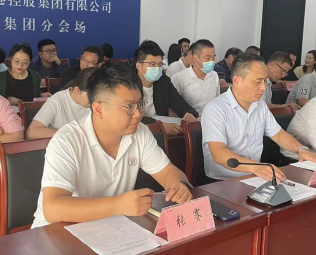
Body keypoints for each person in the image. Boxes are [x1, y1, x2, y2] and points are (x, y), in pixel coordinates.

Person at [31, 64, 193, 226]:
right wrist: (118, 205)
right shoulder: (67, 140)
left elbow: (167, 172)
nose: (138, 114)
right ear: (98, 109)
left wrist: (179, 185)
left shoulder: (140, 132)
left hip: (108, 226)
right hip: (58, 230)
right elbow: (52, 209)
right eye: (129, 106)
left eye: (139, 104)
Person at [202, 53, 316, 181]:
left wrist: (301, 150)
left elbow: (279, 135)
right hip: (222, 181)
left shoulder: (260, 105)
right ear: (237, 80)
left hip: (254, 176)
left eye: (265, 80)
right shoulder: (216, 109)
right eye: (258, 81)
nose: (263, 87)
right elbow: (218, 153)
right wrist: (256, 167)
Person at [134, 41, 198, 135]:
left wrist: (190, 114)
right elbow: (128, 117)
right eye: (152, 64)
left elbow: (181, 105)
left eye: (160, 65)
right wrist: (159, 126)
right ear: (139, 66)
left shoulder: (163, 82)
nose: (157, 68)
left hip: (161, 135)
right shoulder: (127, 84)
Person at [26, 67, 96, 139]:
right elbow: (31, 132)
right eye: (90, 97)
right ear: (77, 90)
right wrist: (71, 134)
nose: (95, 102)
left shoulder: (98, 102)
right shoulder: (57, 101)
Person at [171, 39, 220, 115]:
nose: (212, 61)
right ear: (195, 58)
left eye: (213, 57)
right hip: (188, 120)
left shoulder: (214, 75)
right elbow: (172, 106)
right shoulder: (179, 78)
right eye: (207, 58)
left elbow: (217, 101)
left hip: (211, 119)